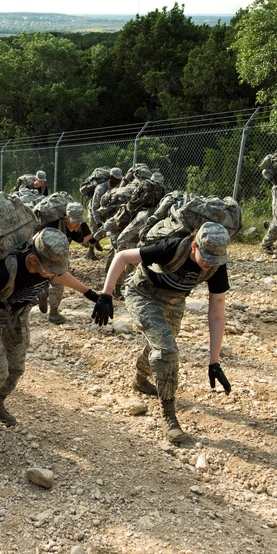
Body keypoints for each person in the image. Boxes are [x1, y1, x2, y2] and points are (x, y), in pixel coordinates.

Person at [0, 228, 100, 426]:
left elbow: (60, 275)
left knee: (16, 369)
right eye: (51, 268)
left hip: (16, 317)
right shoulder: (3, 272)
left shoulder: (47, 268)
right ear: (34, 259)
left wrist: (91, 295)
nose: (54, 273)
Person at [93, 222, 232, 444]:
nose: (208, 264)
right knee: (167, 350)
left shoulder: (217, 265)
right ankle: (169, 415)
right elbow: (122, 256)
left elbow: (216, 313)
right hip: (143, 294)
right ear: (194, 246)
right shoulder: (171, 248)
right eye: (205, 257)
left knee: (159, 345)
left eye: (214, 260)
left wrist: (214, 362)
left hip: (175, 302)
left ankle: (139, 380)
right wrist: (106, 295)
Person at [40, 202, 97, 324]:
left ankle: (43, 291)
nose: (78, 225)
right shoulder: (52, 227)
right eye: (75, 222)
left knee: (56, 280)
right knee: (58, 283)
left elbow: (83, 238)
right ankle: (53, 313)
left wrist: (92, 239)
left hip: (58, 254)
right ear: (66, 218)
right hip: (43, 253)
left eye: (80, 221)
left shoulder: (78, 225)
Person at [88, 167, 124, 257]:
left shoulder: (118, 187)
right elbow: (94, 206)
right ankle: (90, 251)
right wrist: (98, 222)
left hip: (106, 210)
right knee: (96, 230)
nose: (118, 181)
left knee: (107, 230)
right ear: (111, 177)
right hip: (94, 211)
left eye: (119, 179)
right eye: (116, 179)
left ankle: (96, 242)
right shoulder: (101, 188)